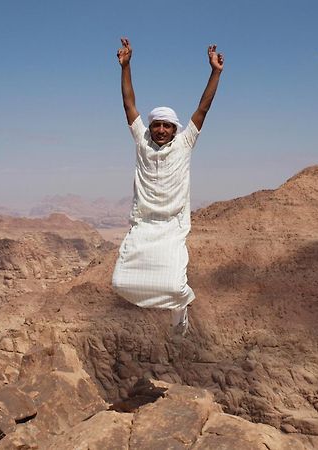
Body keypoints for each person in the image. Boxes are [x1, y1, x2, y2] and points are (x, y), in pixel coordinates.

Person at [112, 37, 223, 335]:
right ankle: (175, 308)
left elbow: (203, 108)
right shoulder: (142, 142)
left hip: (173, 226)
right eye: (157, 124)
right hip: (144, 224)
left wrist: (215, 73)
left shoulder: (185, 143)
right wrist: (126, 66)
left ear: (176, 129)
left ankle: (180, 313)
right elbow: (128, 103)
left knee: (174, 285)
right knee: (121, 282)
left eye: (167, 125)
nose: (161, 129)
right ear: (150, 128)